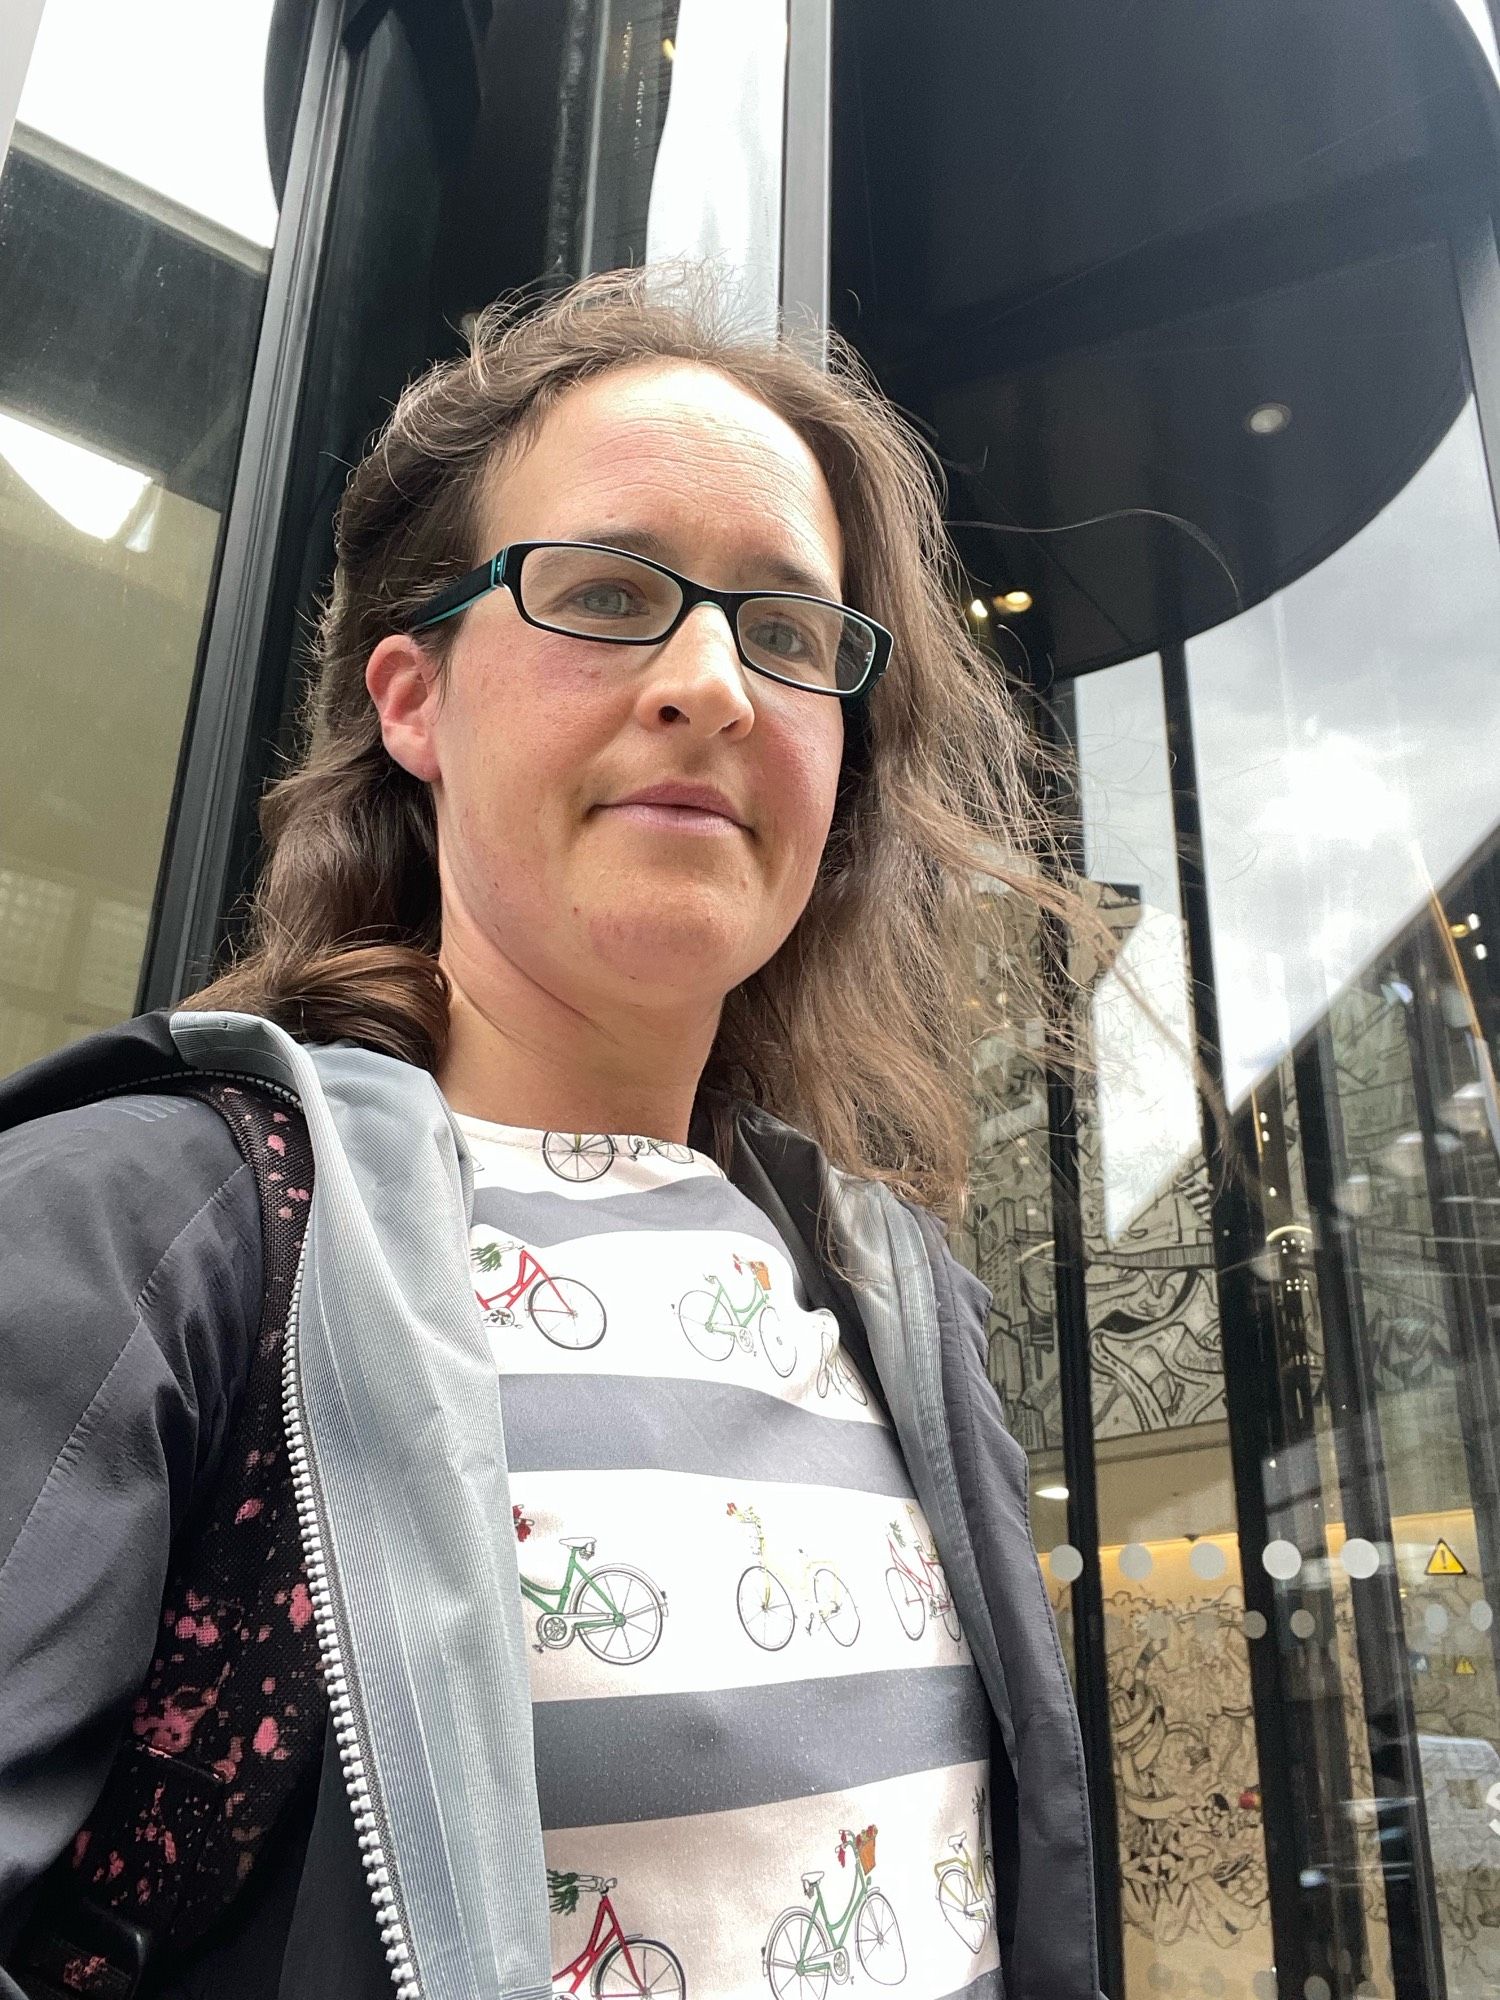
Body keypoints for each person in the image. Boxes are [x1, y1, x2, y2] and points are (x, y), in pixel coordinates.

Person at [0, 267, 1103, 2000]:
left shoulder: (897, 1303)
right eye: (604, 591)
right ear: (411, 700)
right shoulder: (146, 1232)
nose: (713, 681)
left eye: (789, 632)